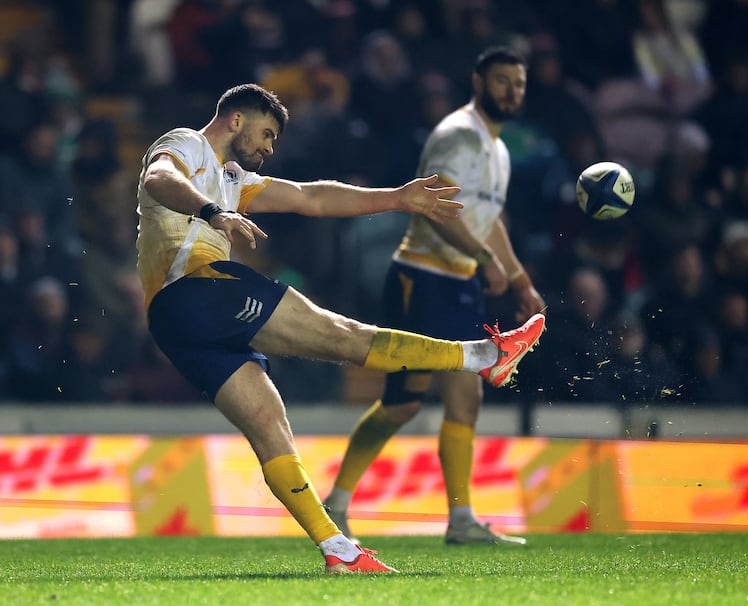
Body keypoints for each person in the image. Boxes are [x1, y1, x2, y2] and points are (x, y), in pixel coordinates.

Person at [136, 83, 546, 573]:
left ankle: (338, 550)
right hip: (198, 286)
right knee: (344, 336)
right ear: (236, 121)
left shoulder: (232, 178)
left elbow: (311, 198)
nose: (270, 148)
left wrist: (397, 198)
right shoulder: (187, 145)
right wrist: (213, 212)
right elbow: (158, 177)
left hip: (173, 321)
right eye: (266, 134)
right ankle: (484, 356)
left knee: (270, 425)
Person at [323, 47, 546, 546]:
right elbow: (433, 207)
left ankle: (446, 517)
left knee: (447, 398)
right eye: (503, 80)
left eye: (520, 83)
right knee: (415, 403)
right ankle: (436, 516)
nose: (513, 90)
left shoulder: (499, 149)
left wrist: (519, 279)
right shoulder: (459, 135)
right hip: (422, 277)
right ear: (478, 81)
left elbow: (490, 225)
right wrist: (487, 263)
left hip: (456, 282)